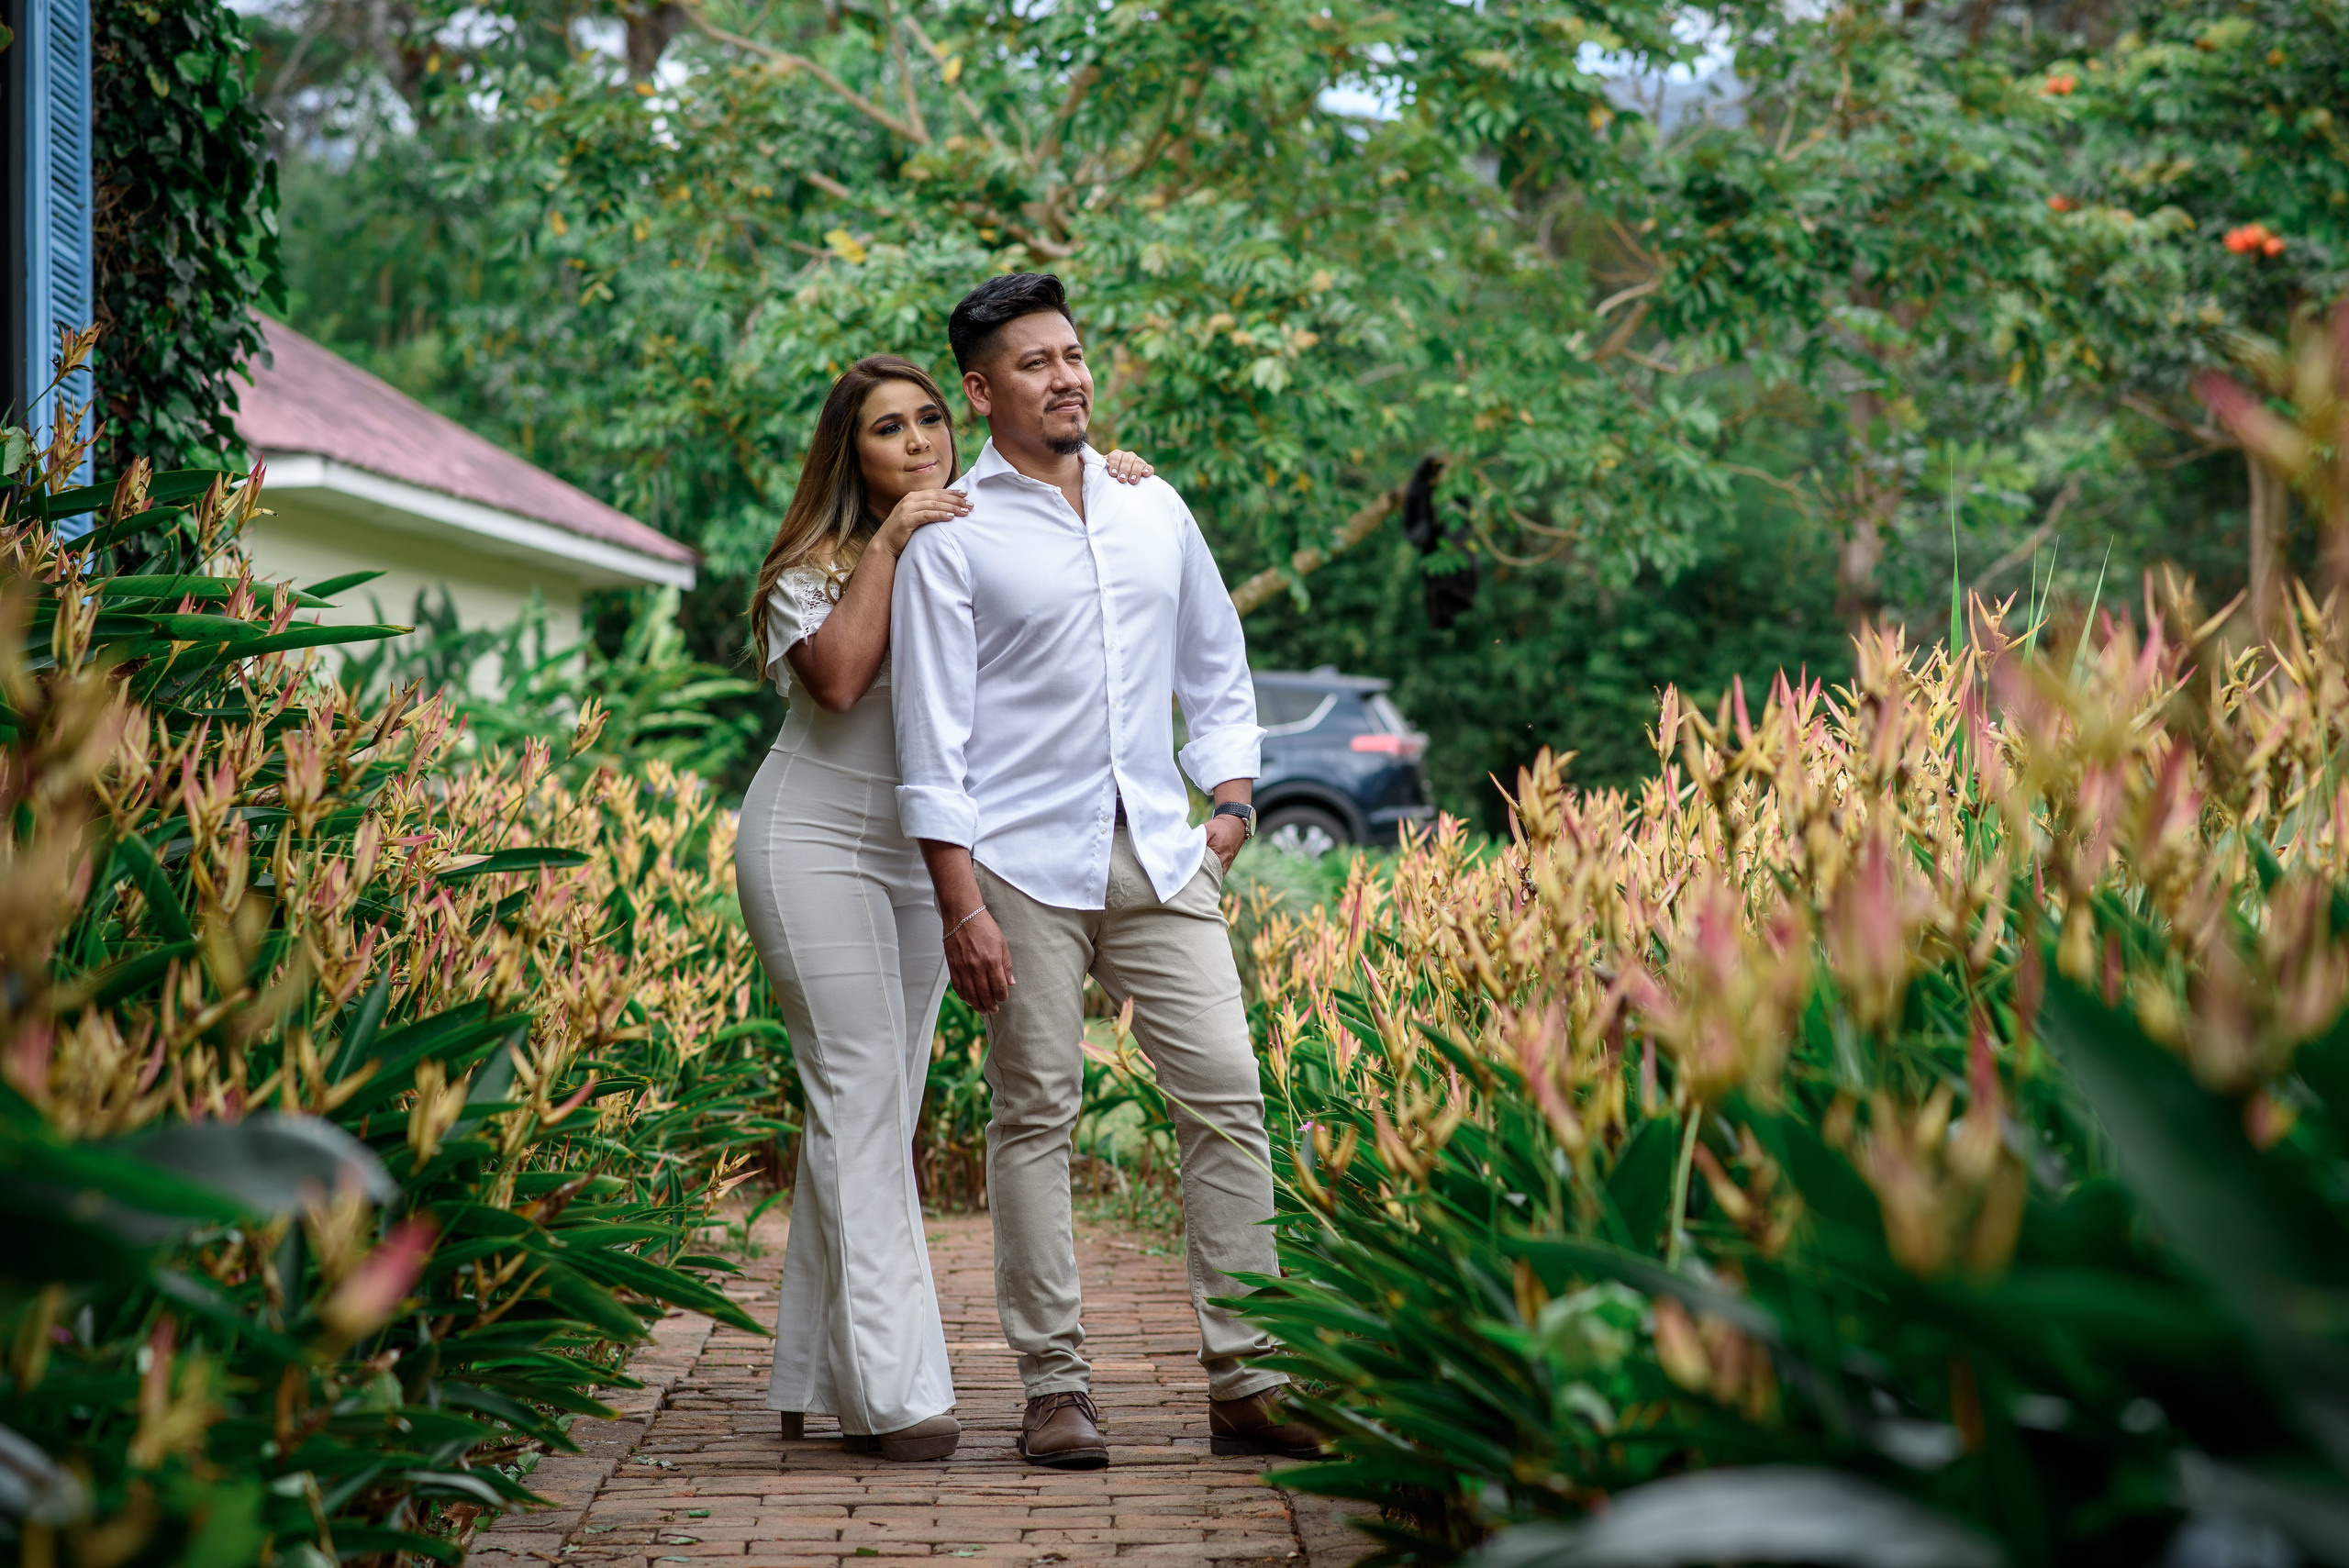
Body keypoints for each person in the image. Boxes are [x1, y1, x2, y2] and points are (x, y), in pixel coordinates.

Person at [890, 274, 1328, 1470]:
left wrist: (1229, 792)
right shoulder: (951, 532)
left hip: (1160, 850)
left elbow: (1214, 659)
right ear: (982, 391)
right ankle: (1053, 1385)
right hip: (1019, 864)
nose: (1066, 376)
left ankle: (1248, 1376)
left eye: (1073, 354)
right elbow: (931, 734)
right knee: (1035, 1113)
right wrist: (959, 901)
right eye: (1034, 363)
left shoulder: (1152, 504)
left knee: (1228, 1093)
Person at [737, 354, 1156, 1463]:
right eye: (888, 428)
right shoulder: (809, 567)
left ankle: (809, 1369)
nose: (919, 440)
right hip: (813, 841)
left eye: (930, 418)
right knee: (861, 1093)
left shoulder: (981, 533)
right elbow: (837, 679)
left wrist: (1104, 482)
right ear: (850, 453)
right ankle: (893, 1391)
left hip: (927, 854)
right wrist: (890, 539)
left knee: (877, 1105)